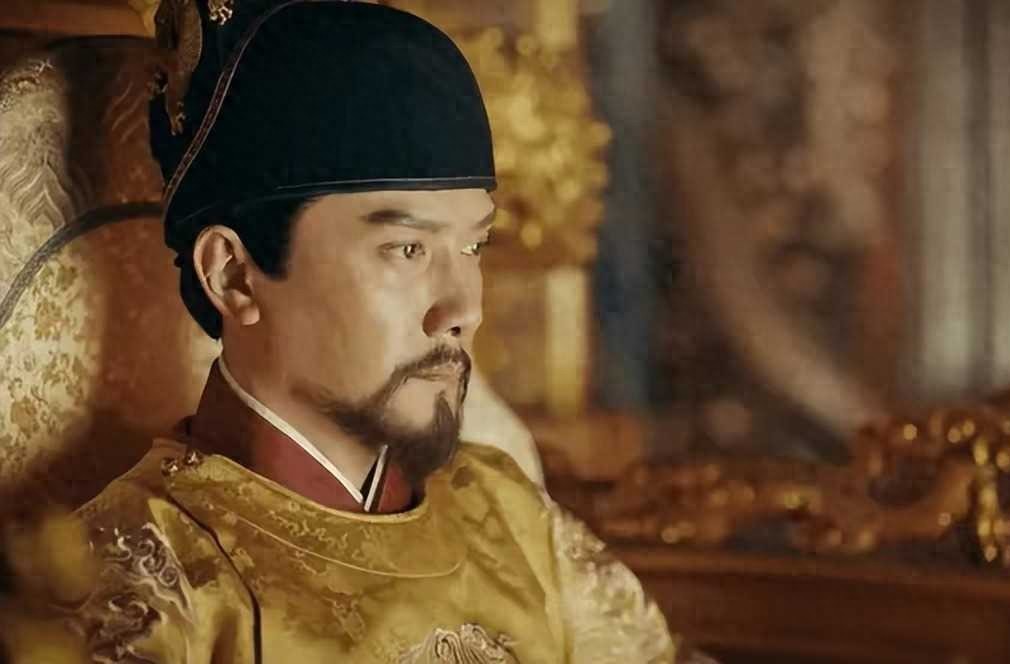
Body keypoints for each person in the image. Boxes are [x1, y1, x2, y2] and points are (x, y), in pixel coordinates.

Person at [0, 1, 681, 662]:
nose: (464, 309)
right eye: (407, 250)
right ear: (234, 275)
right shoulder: (141, 592)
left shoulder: (511, 518)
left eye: (473, 246)